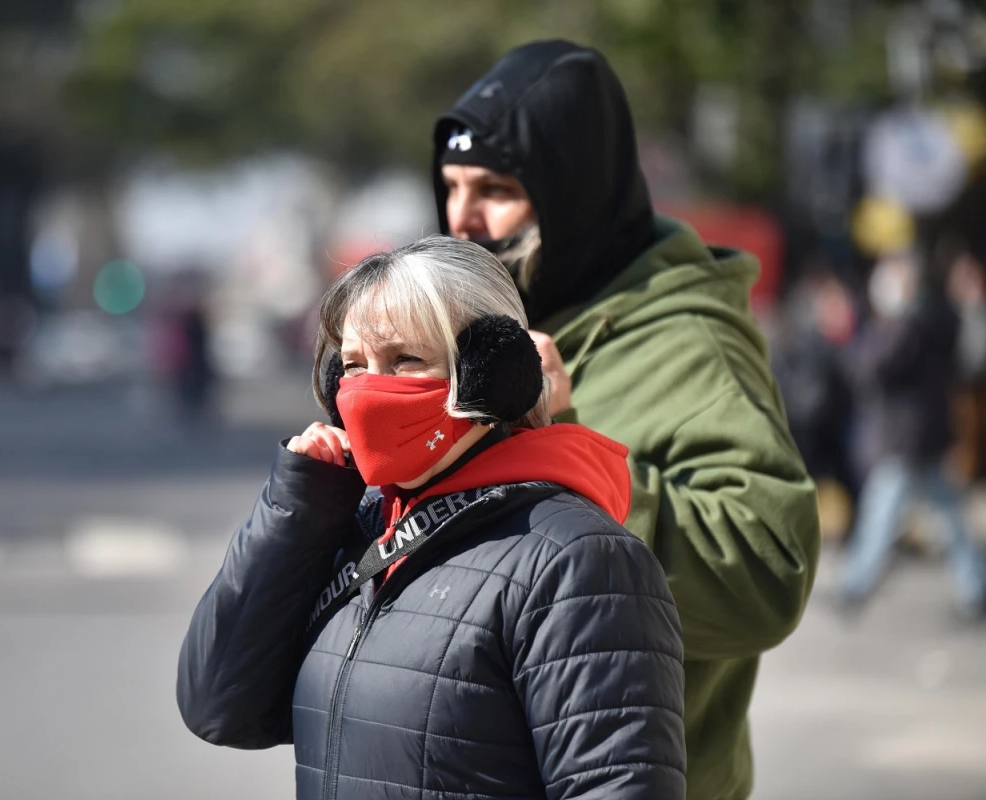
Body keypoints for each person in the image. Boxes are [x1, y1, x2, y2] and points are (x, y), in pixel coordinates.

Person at [432, 40, 820, 800]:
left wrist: (560, 451)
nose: (461, 219)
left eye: (495, 189)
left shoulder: (687, 339)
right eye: (449, 185)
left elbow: (769, 573)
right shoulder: (488, 331)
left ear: (571, 193)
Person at [179, 237, 687, 800]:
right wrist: (300, 509)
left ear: (489, 374)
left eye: (405, 359)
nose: (369, 389)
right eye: (352, 366)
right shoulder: (360, 529)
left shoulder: (578, 559)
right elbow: (220, 706)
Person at [838, 251, 986, 618]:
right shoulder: (936, 316)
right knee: (946, 514)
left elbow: (872, 369)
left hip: (909, 437)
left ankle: (857, 585)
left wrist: (858, 338)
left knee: (883, 507)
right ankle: (975, 589)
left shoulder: (909, 324)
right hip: (924, 433)